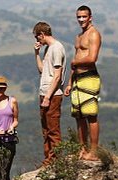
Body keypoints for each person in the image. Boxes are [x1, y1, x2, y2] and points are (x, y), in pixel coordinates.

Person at [63, 5, 102, 161]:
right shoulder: (78, 36)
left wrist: (75, 62)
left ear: (90, 17)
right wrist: (69, 83)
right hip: (77, 79)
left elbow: (92, 58)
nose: (81, 20)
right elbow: (75, 61)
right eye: (78, 17)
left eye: (84, 17)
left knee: (90, 115)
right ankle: (82, 149)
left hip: (89, 77)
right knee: (78, 116)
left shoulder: (94, 34)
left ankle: (93, 151)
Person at [33, 22, 66, 167]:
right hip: (45, 93)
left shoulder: (57, 48)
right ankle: (48, 159)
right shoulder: (48, 49)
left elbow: (57, 76)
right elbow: (42, 70)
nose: (37, 40)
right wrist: (37, 54)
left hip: (52, 95)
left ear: (42, 34)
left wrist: (47, 97)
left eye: (37, 37)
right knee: (46, 130)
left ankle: (55, 160)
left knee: (53, 129)